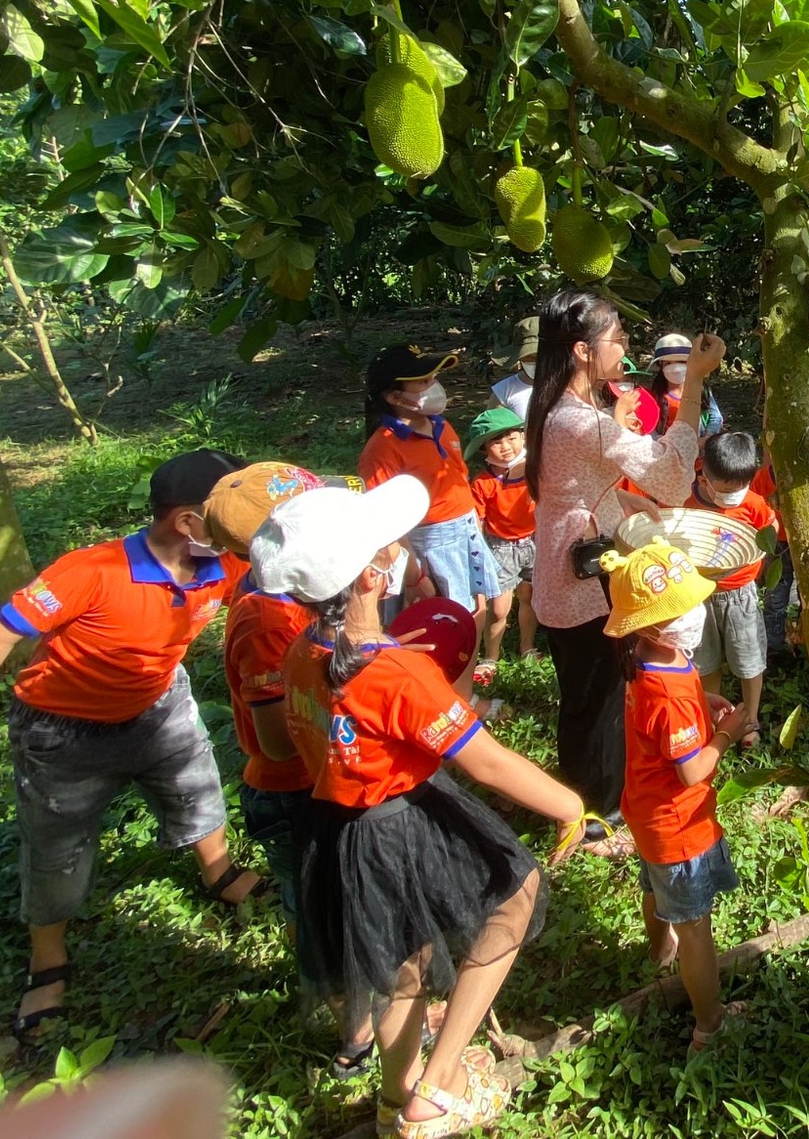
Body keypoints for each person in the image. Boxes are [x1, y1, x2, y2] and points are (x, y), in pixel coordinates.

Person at [0, 450, 266, 1044]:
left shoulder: (221, 564)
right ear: (186, 522)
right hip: (63, 729)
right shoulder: (90, 572)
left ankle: (219, 872)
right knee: (56, 845)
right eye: (225, 512)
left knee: (196, 789)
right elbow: (0, 634)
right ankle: (47, 959)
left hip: (160, 706)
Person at [257, 477, 585, 1139]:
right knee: (514, 897)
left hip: (338, 829)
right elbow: (485, 761)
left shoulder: (300, 655)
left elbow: (291, 742)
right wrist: (569, 804)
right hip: (399, 819)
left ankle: (395, 1094)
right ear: (375, 576)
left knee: (400, 966)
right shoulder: (396, 675)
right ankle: (438, 1089)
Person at [525, 289, 722, 842]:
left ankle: (590, 795)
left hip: (566, 566)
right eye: (618, 337)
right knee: (597, 696)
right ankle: (594, 810)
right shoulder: (581, 422)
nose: (627, 345)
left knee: (587, 691)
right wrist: (697, 380)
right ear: (585, 352)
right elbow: (673, 477)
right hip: (583, 582)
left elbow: (576, 485)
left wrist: (617, 504)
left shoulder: (554, 407)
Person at [203, 460, 379, 1073]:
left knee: (343, 900)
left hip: (323, 783)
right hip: (296, 792)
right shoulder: (266, 618)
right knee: (321, 911)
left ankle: (364, 1007)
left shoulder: (297, 598)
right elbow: (279, 742)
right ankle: (353, 1033)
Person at [604, 540, 749, 1051]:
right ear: (652, 624)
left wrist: (702, 697)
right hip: (679, 826)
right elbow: (692, 772)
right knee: (697, 930)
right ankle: (710, 1025)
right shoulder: (663, 692)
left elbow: (674, 699)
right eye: (683, 608)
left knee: (653, 888)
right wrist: (727, 732)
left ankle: (657, 952)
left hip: (646, 815)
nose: (695, 613)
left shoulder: (653, 659)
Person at [359, 344, 500, 616]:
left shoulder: (441, 425)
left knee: (475, 611)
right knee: (439, 622)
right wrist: (415, 576)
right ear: (395, 398)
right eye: (423, 382)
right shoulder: (382, 449)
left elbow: (459, 476)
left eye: (434, 378)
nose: (434, 386)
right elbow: (386, 523)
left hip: (464, 531)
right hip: (427, 546)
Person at [683, 431, 778, 744]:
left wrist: (762, 553)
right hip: (700, 594)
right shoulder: (688, 500)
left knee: (747, 660)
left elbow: (771, 527)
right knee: (706, 659)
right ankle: (715, 717)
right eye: (725, 491)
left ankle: (749, 721)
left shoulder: (752, 502)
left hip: (740, 594)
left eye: (740, 489)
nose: (732, 497)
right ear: (704, 476)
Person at [466, 406, 537, 677]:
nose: (506, 446)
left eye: (511, 437)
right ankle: (491, 656)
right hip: (500, 547)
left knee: (529, 596)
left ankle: (527, 647)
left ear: (522, 436)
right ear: (484, 448)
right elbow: (477, 521)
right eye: (496, 441)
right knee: (498, 608)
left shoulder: (534, 469)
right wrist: (478, 551)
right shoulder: (484, 482)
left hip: (534, 541)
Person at [648, 332, 725, 438]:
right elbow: (649, 427)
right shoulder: (656, 395)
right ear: (661, 366)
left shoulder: (702, 389)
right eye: (668, 363)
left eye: (681, 362)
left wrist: (706, 439)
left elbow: (715, 417)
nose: (675, 368)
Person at [488, 315, 539, 419]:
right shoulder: (504, 390)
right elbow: (494, 430)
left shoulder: (572, 384)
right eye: (529, 357)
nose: (536, 362)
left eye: (541, 356)